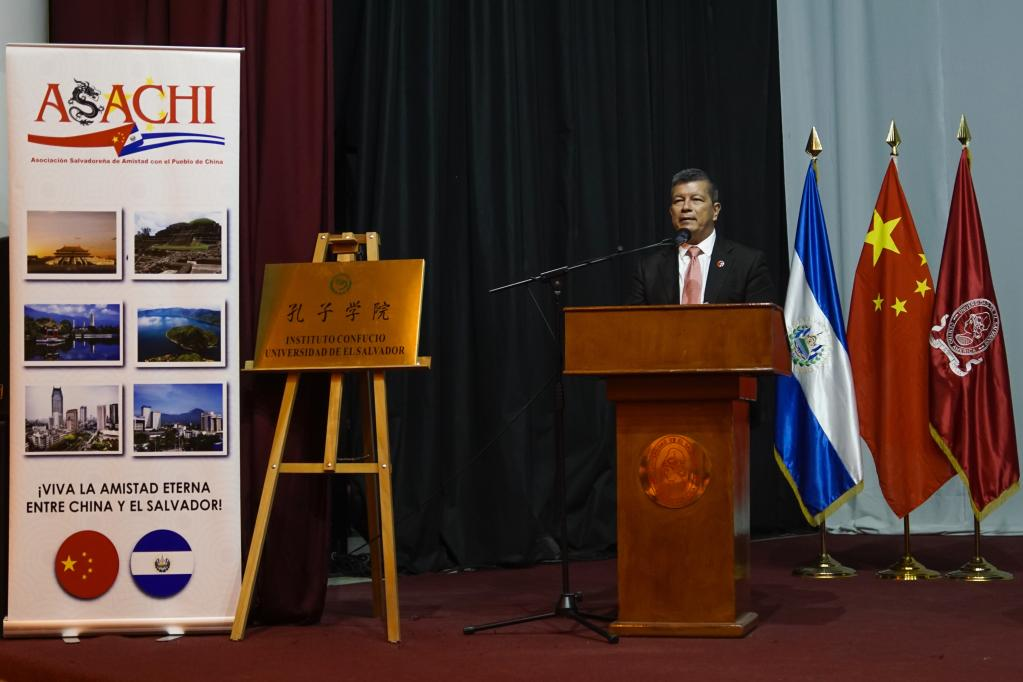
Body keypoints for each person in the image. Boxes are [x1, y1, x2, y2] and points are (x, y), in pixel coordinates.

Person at [627, 168, 775, 305]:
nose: (686, 207)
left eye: (696, 199)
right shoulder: (649, 269)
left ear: (715, 211)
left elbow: (759, 325)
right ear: (671, 212)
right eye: (679, 201)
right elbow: (635, 326)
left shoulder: (748, 263)